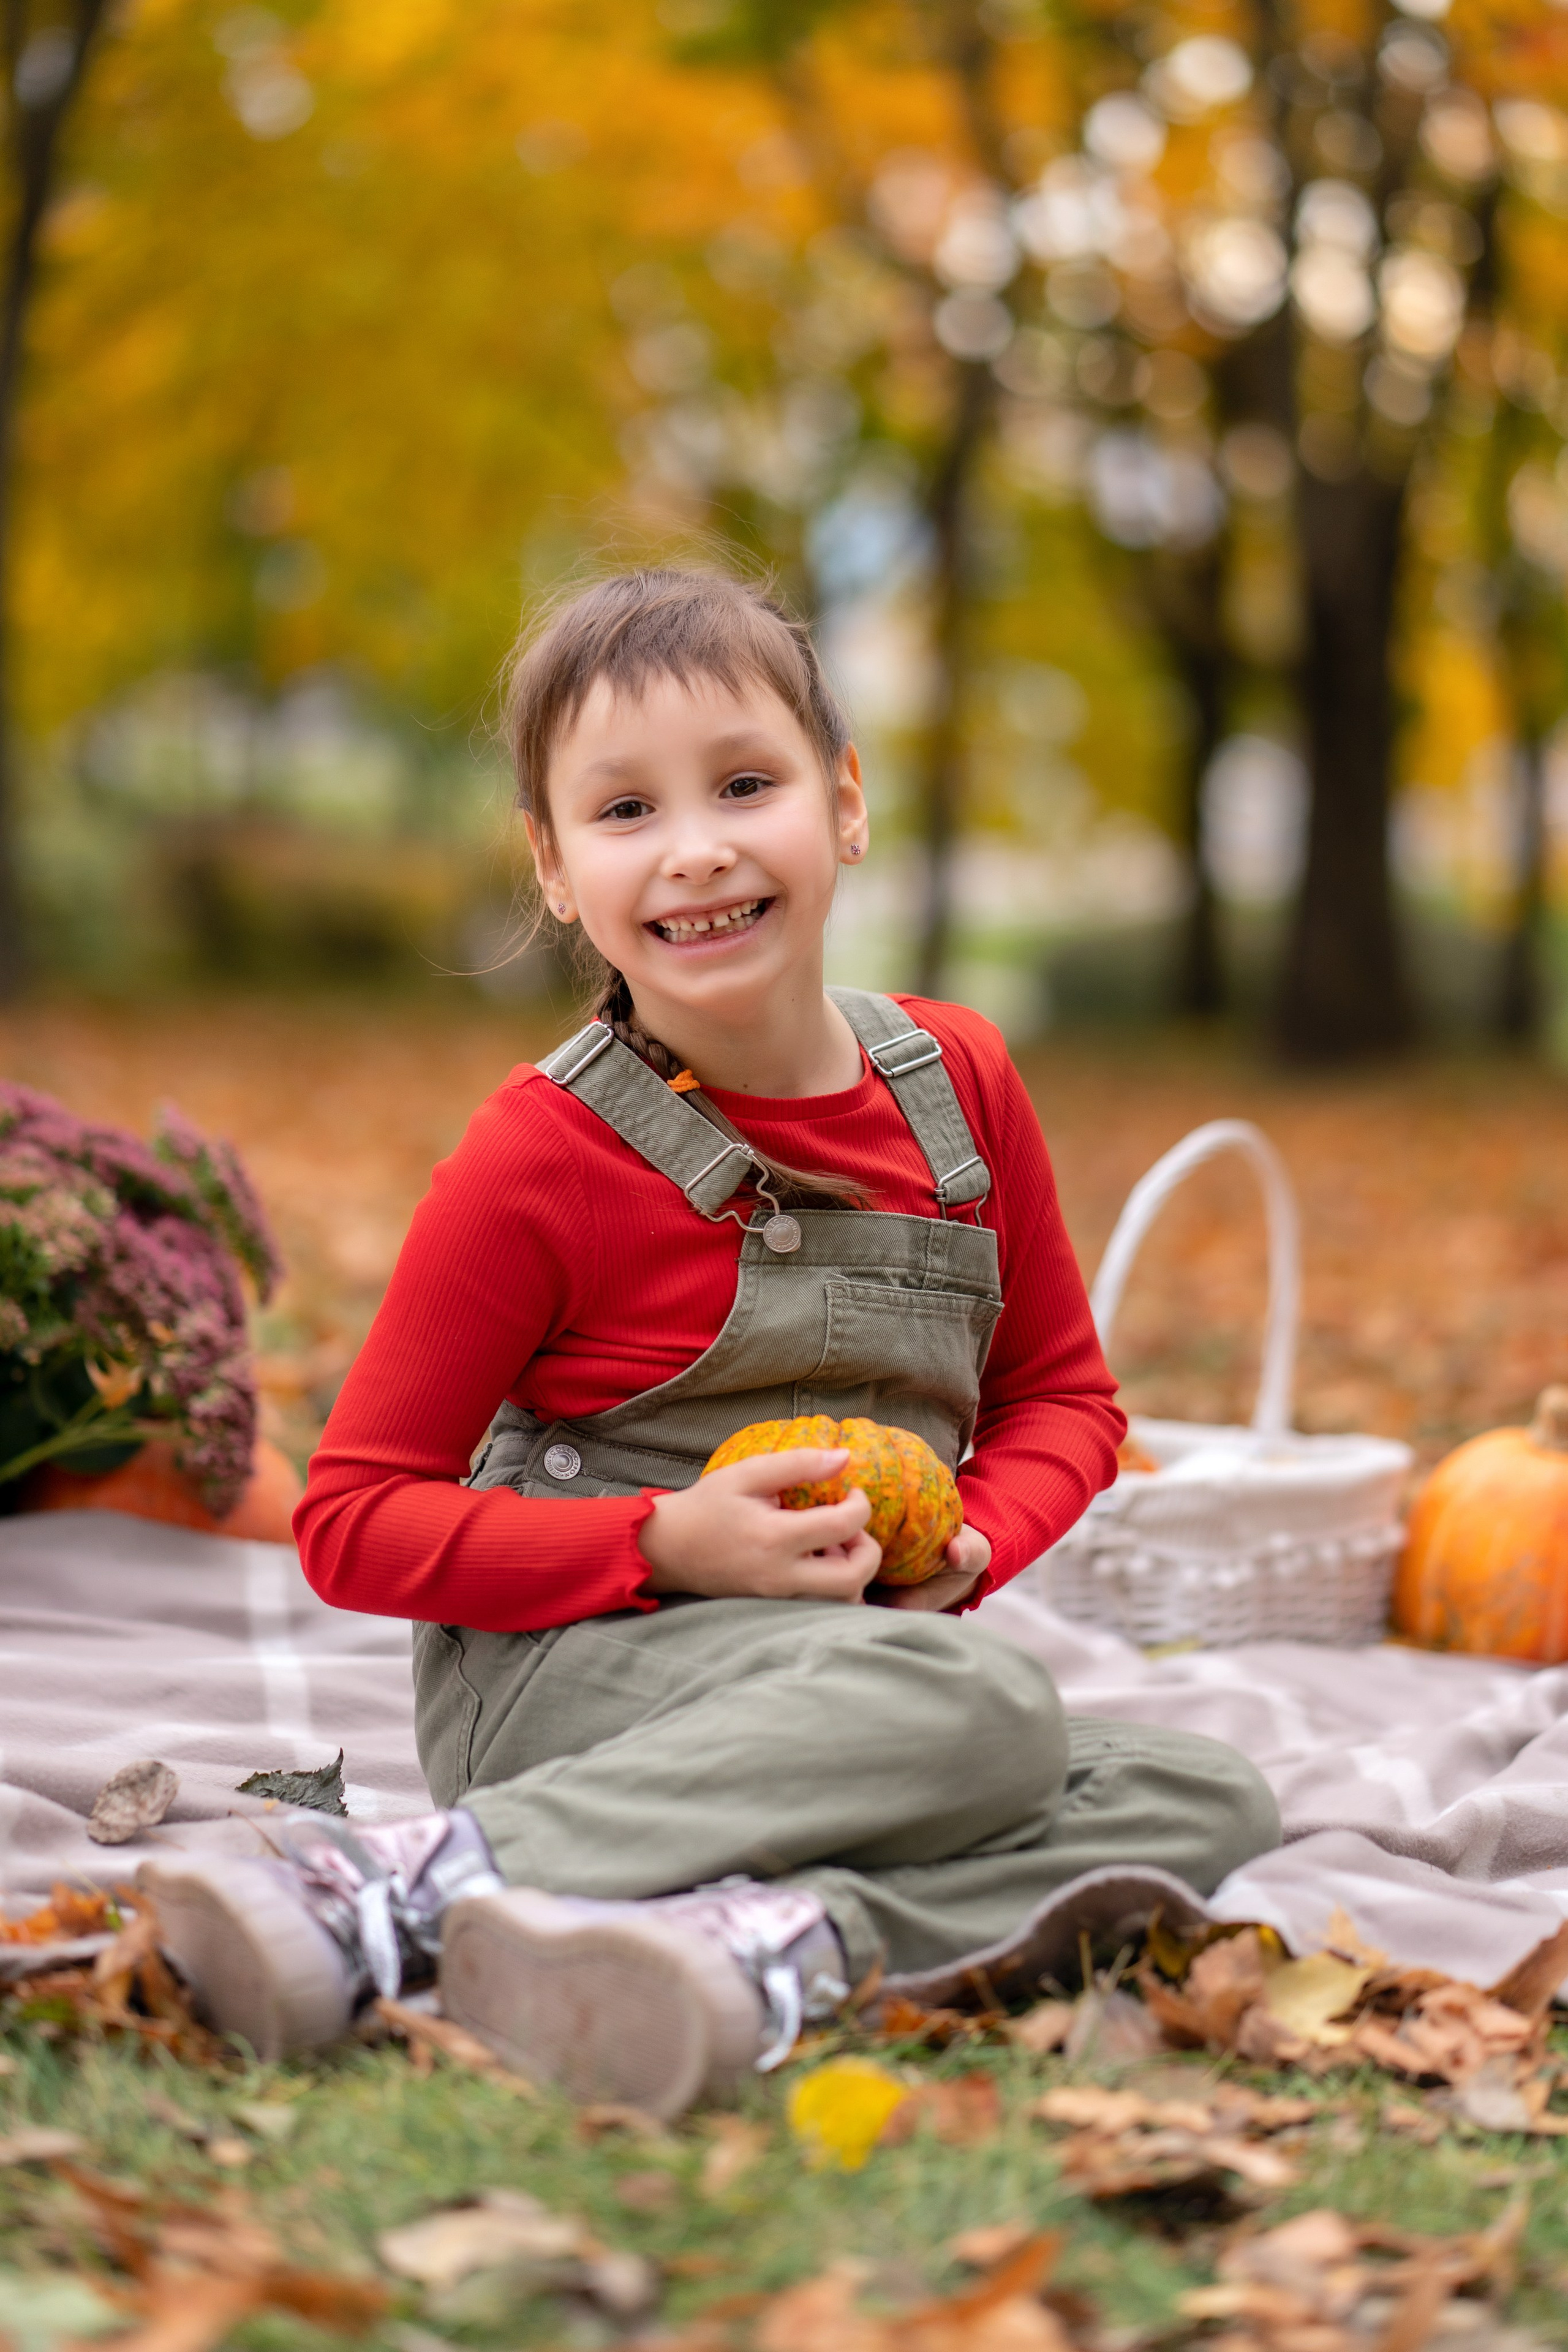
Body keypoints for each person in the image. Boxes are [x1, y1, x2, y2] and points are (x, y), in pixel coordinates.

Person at [140, 567, 1279, 2113]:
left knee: (1201, 1793)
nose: (695, 849)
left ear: (845, 802)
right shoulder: (540, 1159)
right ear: (555, 869)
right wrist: (667, 1542)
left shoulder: (959, 1089)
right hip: (568, 1677)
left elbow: (1063, 1399)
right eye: (625, 811)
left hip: (840, 1676)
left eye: (746, 784)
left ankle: (758, 1949)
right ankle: (397, 1887)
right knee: (988, 1712)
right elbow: (349, 1520)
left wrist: (970, 1545)